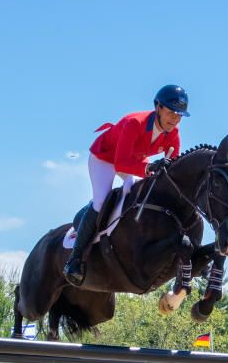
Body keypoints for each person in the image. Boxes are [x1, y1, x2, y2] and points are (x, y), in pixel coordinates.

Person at [63, 85, 190, 286]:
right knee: (101, 200)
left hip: (134, 160)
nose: (175, 119)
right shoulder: (134, 122)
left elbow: (171, 169)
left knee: (134, 191)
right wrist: (149, 167)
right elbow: (121, 164)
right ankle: (75, 259)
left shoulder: (173, 133)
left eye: (179, 115)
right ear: (158, 107)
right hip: (105, 158)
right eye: (171, 112)